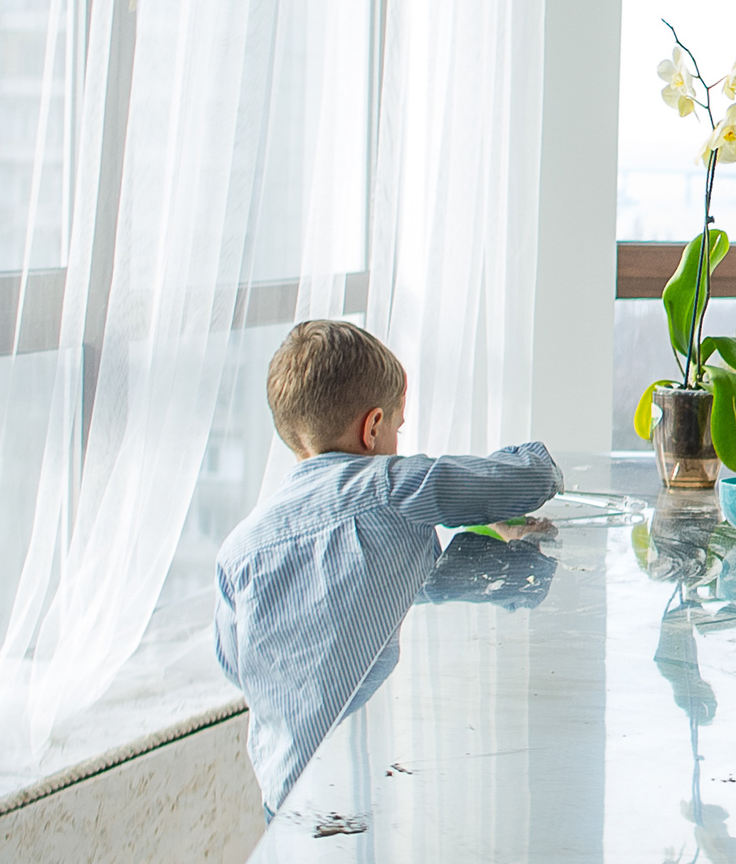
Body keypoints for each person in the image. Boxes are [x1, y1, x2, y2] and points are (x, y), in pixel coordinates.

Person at [214, 320, 562, 815]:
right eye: (398, 428)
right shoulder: (390, 486)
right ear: (372, 426)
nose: (399, 440)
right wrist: (540, 462)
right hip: (357, 781)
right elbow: (521, 481)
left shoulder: (239, 548)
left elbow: (237, 663)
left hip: (281, 786)